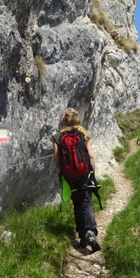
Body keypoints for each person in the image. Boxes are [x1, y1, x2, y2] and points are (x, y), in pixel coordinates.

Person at [53, 108, 101, 252]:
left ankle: (82, 236)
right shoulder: (82, 134)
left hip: (69, 175)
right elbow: (91, 156)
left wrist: (64, 171)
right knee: (86, 202)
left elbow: (57, 160)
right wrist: (92, 172)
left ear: (64, 120)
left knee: (77, 203)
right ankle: (91, 231)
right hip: (84, 173)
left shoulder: (57, 137)